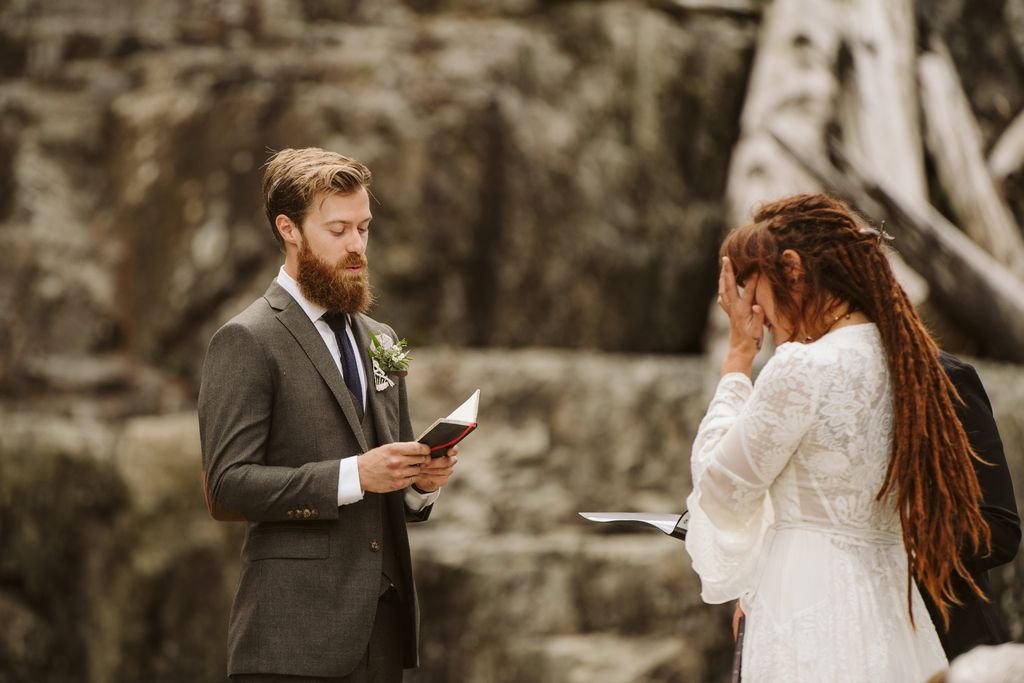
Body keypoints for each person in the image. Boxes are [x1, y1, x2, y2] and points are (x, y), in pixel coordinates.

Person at [685, 193, 991, 681]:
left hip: (807, 603)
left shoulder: (803, 367)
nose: (756, 315)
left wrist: (738, 357)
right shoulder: (908, 368)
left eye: (755, 294)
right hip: (892, 608)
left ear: (793, 270)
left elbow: (720, 490)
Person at [199, 147, 458, 682]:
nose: (357, 246)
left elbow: (393, 490)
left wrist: (421, 483)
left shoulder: (380, 339)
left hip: (381, 636)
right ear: (288, 229)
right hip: (290, 641)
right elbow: (227, 485)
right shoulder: (247, 339)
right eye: (338, 230)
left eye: (363, 228)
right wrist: (354, 475)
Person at [924, 352, 1020, 659]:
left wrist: (891, 543)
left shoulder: (943, 379)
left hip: (946, 641)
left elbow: (1000, 530)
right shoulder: (794, 386)